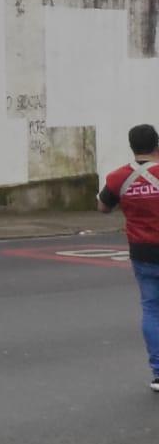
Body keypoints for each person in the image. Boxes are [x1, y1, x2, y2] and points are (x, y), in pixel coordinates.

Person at [98, 124, 159, 392]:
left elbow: (103, 207)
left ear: (132, 147)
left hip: (142, 251)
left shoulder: (117, 178)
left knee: (151, 309)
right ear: (157, 144)